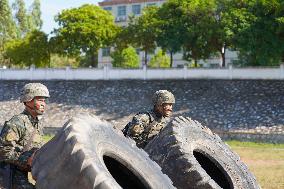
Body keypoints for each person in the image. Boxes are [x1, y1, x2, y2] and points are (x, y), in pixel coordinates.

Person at [0, 83, 50, 189]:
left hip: (24, 172)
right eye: (40, 100)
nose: (43, 104)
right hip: (9, 173)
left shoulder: (37, 124)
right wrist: (26, 161)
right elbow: (4, 151)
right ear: (28, 100)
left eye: (44, 101)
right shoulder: (17, 122)